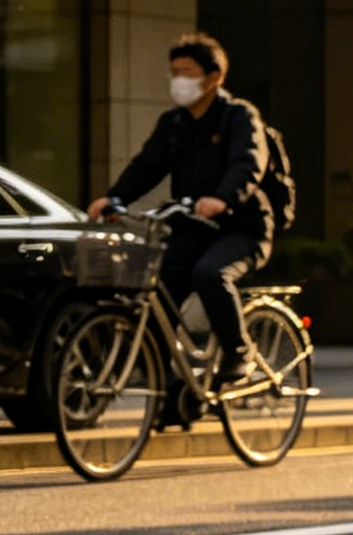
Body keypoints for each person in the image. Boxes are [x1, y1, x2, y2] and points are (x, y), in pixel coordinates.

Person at [90, 33, 275, 384]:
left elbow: (248, 163)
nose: (178, 80)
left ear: (213, 78)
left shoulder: (239, 116)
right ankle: (170, 388)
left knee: (209, 274)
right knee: (158, 291)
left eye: (187, 72)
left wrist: (224, 198)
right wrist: (114, 199)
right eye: (174, 72)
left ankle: (239, 352)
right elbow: (146, 166)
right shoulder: (173, 124)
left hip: (241, 228)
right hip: (193, 228)